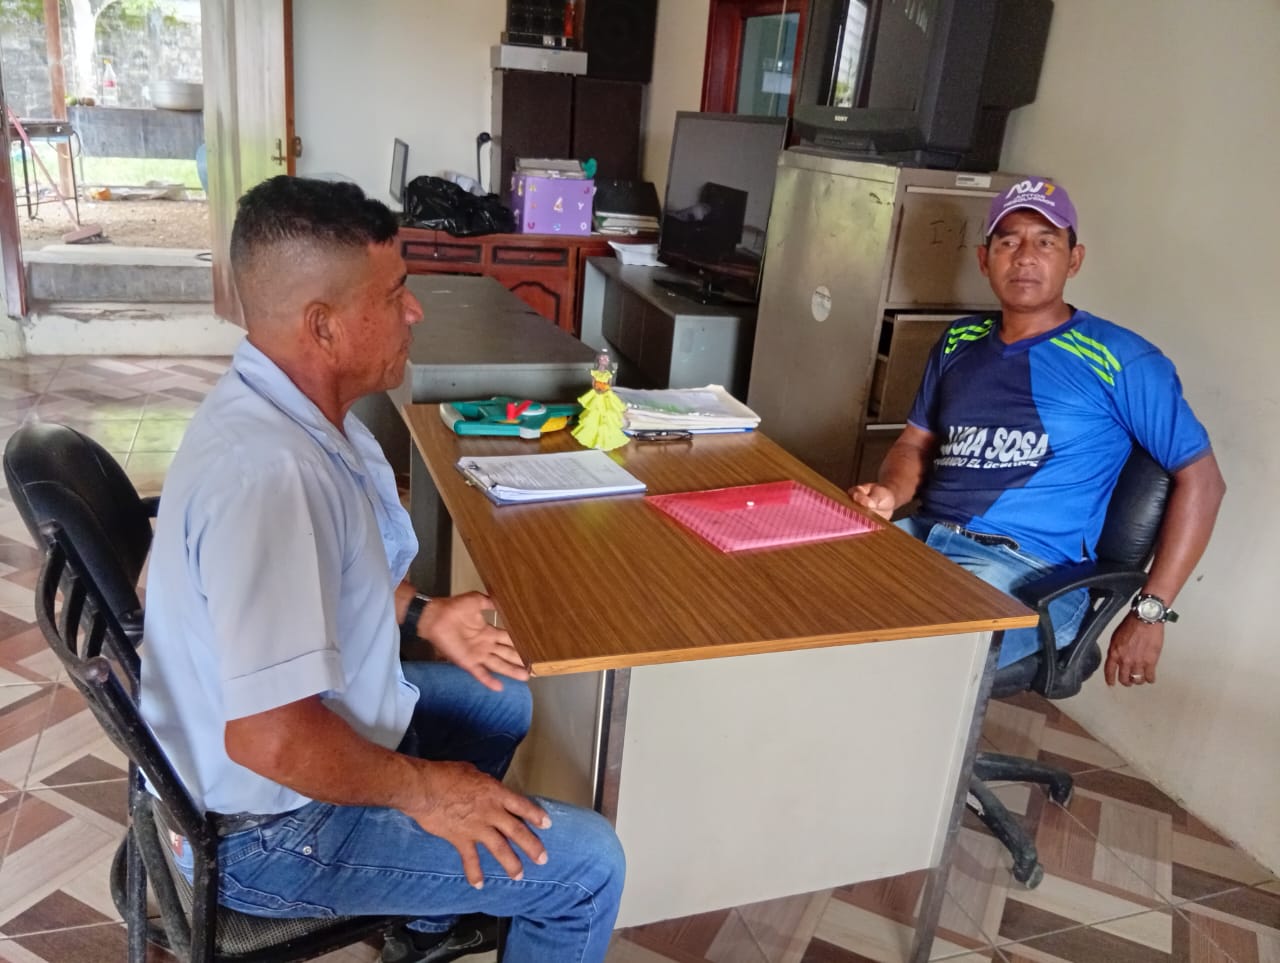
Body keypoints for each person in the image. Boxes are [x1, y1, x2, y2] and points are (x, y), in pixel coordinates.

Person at [139, 175, 624, 963]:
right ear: (323, 327)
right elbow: (270, 739)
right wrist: (427, 791)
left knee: (500, 701)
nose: (414, 311)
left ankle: (422, 924)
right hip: (264, 834)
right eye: (395, 293)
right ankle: (429, 875)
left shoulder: (290, 412)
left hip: (283, 759)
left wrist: (423, 612)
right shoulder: (270, 478)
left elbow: (327, 578)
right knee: (588, 867)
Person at [851, 178, 1225, 689]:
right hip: (922, 539)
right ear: (984, 260)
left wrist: (1150, 611)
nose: (1025, 256)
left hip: (1026, 574)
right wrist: (890, 493)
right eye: (1008, 241)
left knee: (882, 669)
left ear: (1074, 260)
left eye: (1045, 242)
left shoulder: (1121, 358)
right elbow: (915, 443)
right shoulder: (958, 341)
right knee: (795, 598)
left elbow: (1203, 481)